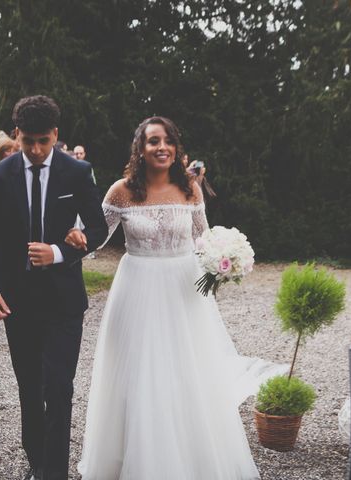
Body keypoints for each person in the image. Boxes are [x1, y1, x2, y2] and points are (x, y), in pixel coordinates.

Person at [70, 116, 287, 480]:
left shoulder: (190, 189)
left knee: (187, 373)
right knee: (139, 374)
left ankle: (190, 460)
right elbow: (95, 236)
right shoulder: (121, 191)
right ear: (140, 148)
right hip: (137, 287)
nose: (162, 147)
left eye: (168, 141)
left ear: (176, 148)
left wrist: (225, 259)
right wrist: (77, 242)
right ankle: (138, 461)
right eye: (153, 141)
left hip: (183, 292)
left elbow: (203, 239)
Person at [0, 95, 107, 480]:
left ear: (55, 134)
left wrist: (59, 251)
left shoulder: (77, 172)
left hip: (64, 301)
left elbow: (98, 229)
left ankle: (54, 473)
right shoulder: (0, 175)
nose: (35, 150)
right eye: (27, 141)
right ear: (16, 134)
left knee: (60, 386)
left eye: (43, 141)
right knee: (30, 388)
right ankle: (36, 457)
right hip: (17, 302)